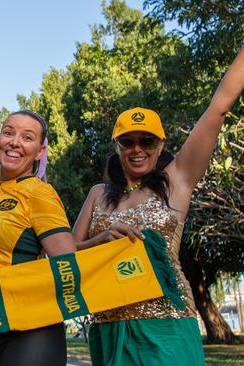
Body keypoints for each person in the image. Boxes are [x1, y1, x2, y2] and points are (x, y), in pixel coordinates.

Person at [72, 46, 244, 366]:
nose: (138, 149)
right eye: (128, 141)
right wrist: (99, 241)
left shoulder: (177, 180)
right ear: (117, 146)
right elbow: (65, 256)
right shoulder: (97, 194)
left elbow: (218, 108)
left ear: (161, 144)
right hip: (108, 327)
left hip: (168, 326)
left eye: (147, 141)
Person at [0, 36, 76, 366]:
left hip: (30, 327)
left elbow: (66, 259)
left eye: (27, 137)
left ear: (39, 152)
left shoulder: (39, 193)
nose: (14, 142)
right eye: (8, 132)